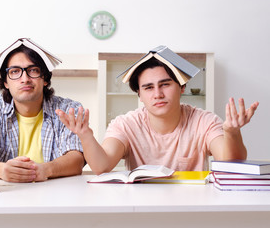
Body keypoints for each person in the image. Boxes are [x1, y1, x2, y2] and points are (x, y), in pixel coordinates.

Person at [56, 58, 259, 174]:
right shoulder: (125, 124)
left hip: (193, 208)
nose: (158, 94)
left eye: (165, 84)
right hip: (141, 209)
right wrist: (85, 136)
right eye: (148, 88)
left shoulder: (204, 120)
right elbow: (102, 166)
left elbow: (231, 163)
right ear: (140, 95)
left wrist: (232, 132)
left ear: (182, 87)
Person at [0, 40, 84, 182]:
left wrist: (45, 170)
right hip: (4, 195)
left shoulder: (68, 109)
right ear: (6, 82)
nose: (25, 79)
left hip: (54, 194)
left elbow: (76, 159)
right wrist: (1, 169)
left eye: (33, 70)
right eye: (15, 72)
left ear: (45, 79)